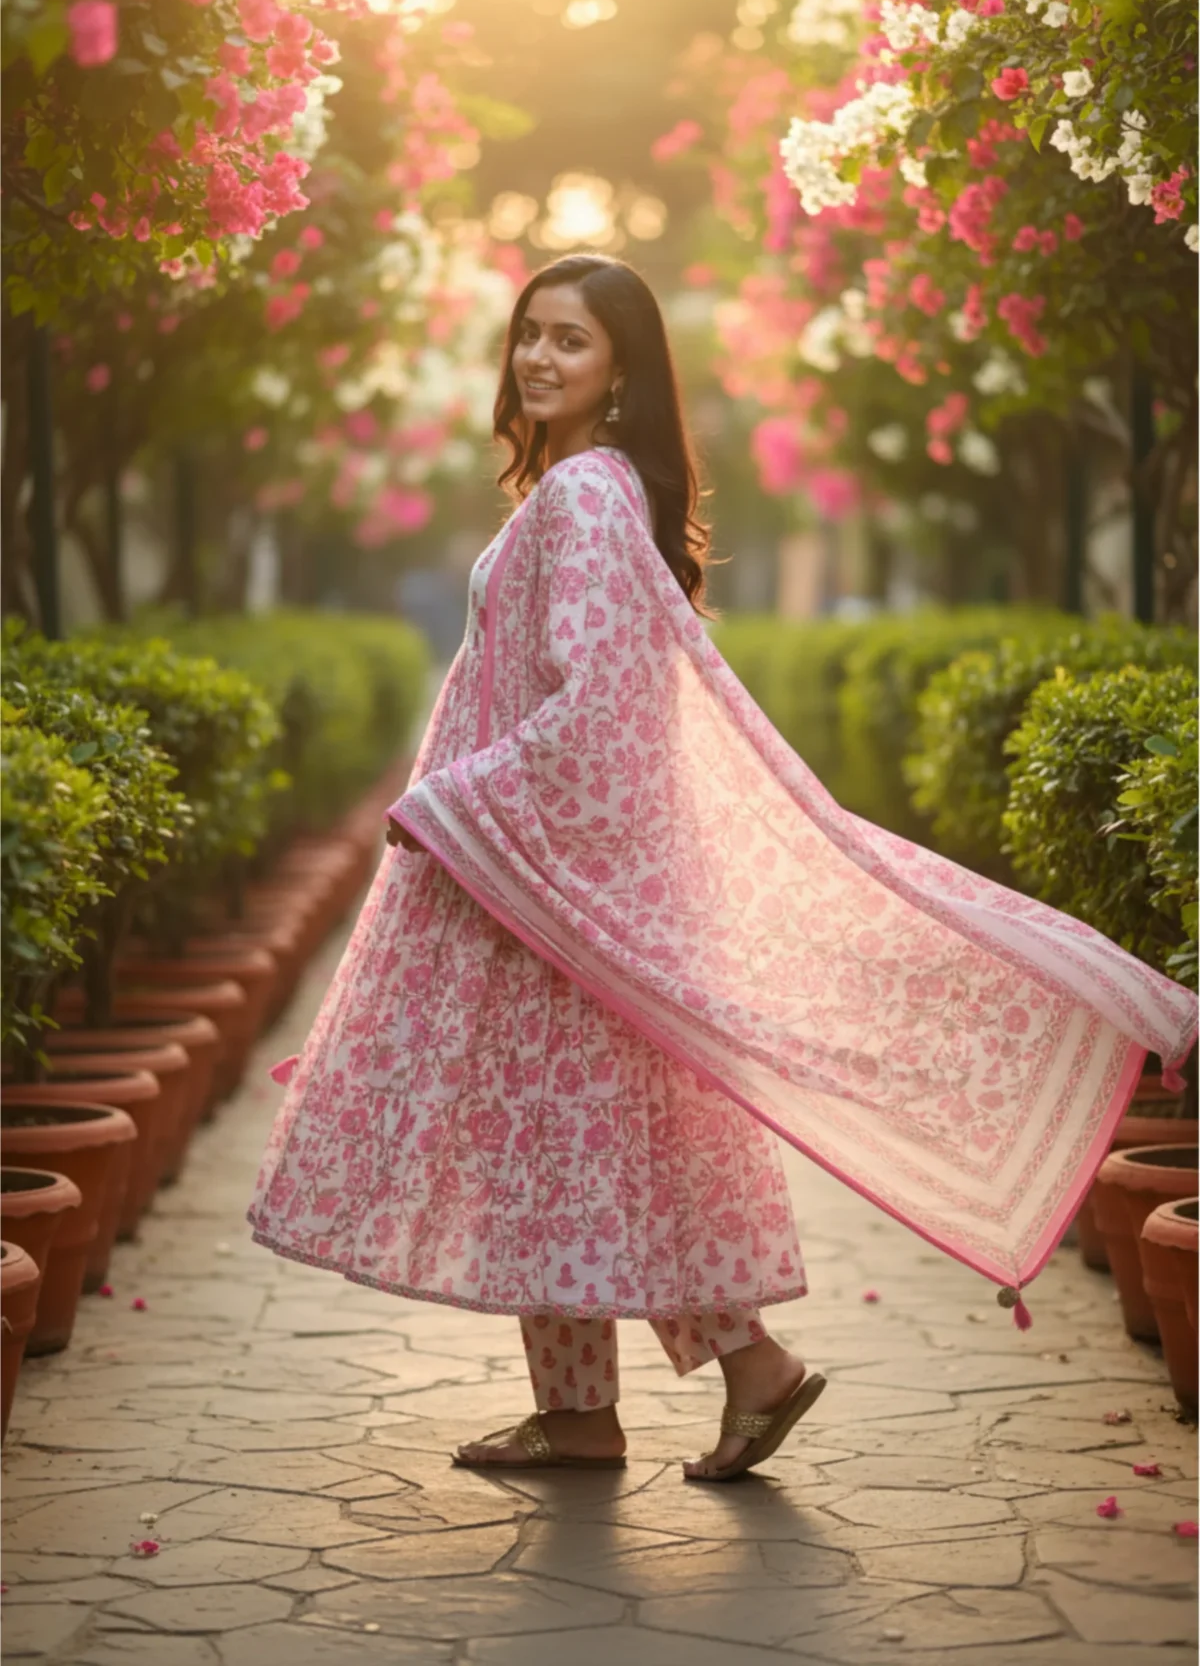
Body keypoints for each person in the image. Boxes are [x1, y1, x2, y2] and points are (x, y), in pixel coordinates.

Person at [248, 253, 1198, 1483]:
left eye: (570, 339)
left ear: (621, 371)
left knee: (581, 1148)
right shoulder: (580, 489)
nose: (538, 356)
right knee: (570, 1148)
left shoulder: (585, 495)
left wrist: (452, 802)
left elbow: (600, 705)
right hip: (539, 877)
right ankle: (603, 1409)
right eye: (530, 332)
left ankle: (733, 1374)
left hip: (556, 878)